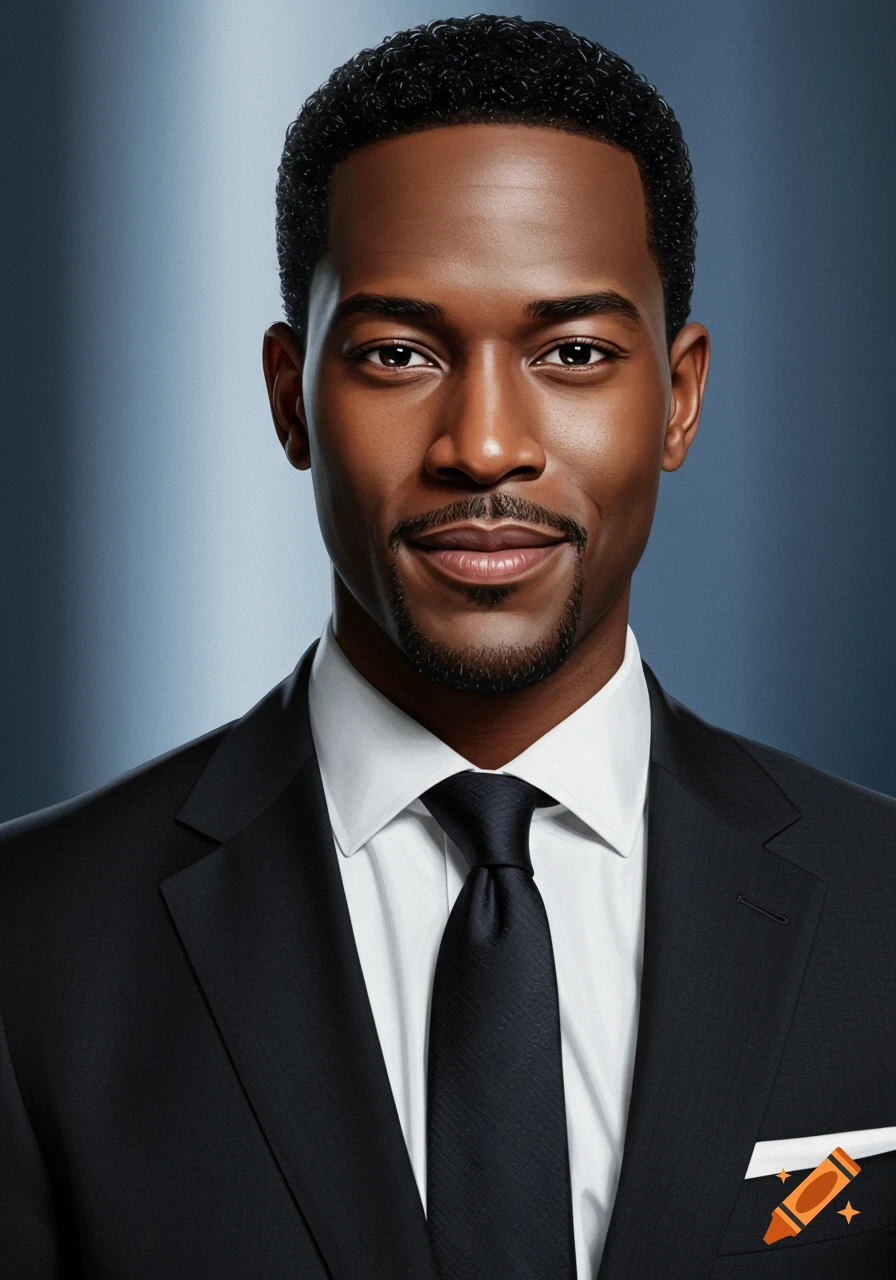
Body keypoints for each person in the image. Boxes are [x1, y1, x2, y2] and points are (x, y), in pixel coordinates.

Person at [0, 14, 893, 1279]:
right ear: (287, 396)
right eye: (398, 353)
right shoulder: (30, 947)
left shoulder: (884, 914)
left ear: (679, 397)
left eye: (572, 352)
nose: (482, 444)